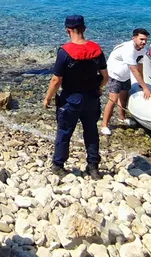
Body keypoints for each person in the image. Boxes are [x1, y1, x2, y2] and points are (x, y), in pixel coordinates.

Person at [43, 15, 108, 178]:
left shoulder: (64, 52)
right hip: (91, 98)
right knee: (91, 131)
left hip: (71, 98)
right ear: (84, 29)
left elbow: (56, 80)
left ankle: (58, 165)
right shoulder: (96, 49)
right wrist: (99, 88)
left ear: (68, 30)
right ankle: (93, 167)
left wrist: (48, 97)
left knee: (64, 132)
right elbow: (105, 76)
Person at [101, 28, 151, 135]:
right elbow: (134, 69)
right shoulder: (128, 49)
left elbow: (140, 65)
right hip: (114, 75)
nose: (144, 42)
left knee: (123, 97)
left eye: (145, 40)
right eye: (141, 39)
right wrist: (145, 88)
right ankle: (104, 125)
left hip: (125, 76)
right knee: (113, 99)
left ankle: (122, 118)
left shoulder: (142, 49)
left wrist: (142, 83)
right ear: (134, 38)